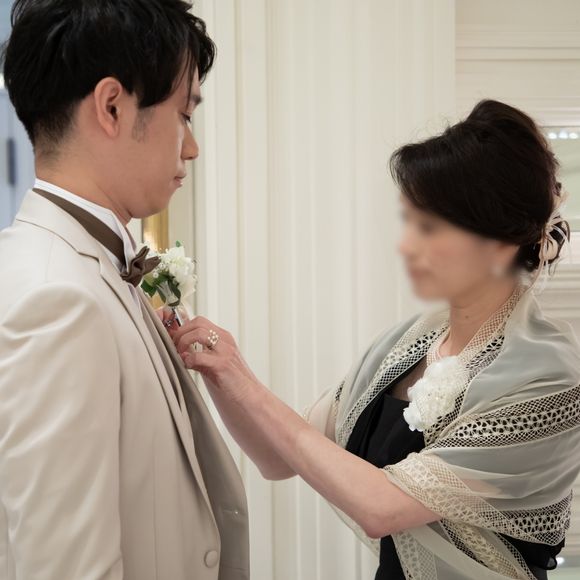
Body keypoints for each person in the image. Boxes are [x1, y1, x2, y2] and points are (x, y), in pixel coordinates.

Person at [171, 100, 580, 580]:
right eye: (409, 222)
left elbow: (382, 507)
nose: (406, 245)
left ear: (500, 242)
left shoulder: (548, 380)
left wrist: (242, 379)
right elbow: (276, 458)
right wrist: (219, 368)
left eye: (429, 226)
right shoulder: (405, 344)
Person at [0, 2, 249, 579]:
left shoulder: (88, 268)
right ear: (112, 106)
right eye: (184, 114)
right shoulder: (57, 300)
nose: (192, 147)